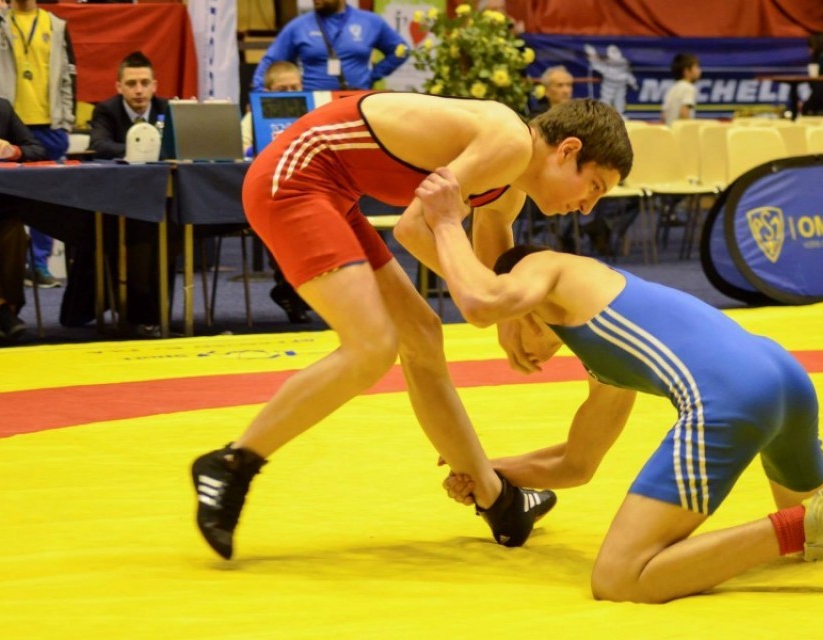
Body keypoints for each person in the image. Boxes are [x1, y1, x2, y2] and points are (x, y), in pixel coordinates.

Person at [416, 168, 823, 603]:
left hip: (730, 397)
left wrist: (446, 222)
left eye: (518, 327)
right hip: (782, 376)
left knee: (619, 578)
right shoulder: (600, 335)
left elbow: (489, 291)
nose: (520, 350)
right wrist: (489, 468)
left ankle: (802, 530)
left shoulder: (548, 269)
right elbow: (576, 462)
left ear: (523, 303)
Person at [188, 94, 632, 560]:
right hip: (297, 177)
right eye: (594, 186)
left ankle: (497, 500)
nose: (587, 208)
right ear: (567, 150)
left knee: (422, 335)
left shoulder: (510, 186)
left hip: (333, 192)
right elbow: (415, 229)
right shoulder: (509, 142)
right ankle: (232, 462)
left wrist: (511, 317)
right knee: (372, 345)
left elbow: (493, 269)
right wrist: (502, 306)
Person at [77, 51, 173, 337]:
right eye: (131, 84)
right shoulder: (106, 111)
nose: (139, 90)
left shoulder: (168, 109)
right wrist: (144, 149)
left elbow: (182, 147)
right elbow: (100, 145)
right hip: (118, 202)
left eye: (144, 83)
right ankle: (139, 316)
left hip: (164, 200)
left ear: (155, 86)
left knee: (172, 235)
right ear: (119, 87)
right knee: (137, 237)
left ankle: (158, 315)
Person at [0, 0, 76, 288]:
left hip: (48, 123)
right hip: (6, 121)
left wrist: (66, 121)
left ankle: (39, 264)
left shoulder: (56, 25)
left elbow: (69, 74)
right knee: (5, 207)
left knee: (45, 202)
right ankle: (14, 270)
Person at [240, 59, 312, 325]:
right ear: (268, 92)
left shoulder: (311, 115)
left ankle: (296, 291)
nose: (290, 94)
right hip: (269, 195)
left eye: (295, 88)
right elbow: (241, 148)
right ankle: (289, 289)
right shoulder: (253, 117)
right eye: (283, 89)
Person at [0, 45, 46, 343]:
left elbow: (38, 150)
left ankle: (5, 312)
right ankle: (1, 310)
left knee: (15, 235)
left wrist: (13, 151)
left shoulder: (2, 109)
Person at [250, 0, 407, 93]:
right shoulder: (298, 26)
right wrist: (258, 92)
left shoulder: (370, 22)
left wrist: (372, 75)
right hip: (313, 103)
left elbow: (401, 50)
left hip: (354, 101)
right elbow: (270, 60)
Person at [661, 53, 700, 125]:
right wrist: (686, 129)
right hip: (682, 130)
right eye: (697, 67)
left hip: (670, 130)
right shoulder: (689, 88)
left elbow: (663, 115)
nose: (699, 71)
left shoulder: (672, 89)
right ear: (686, 71)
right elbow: (684, 111)